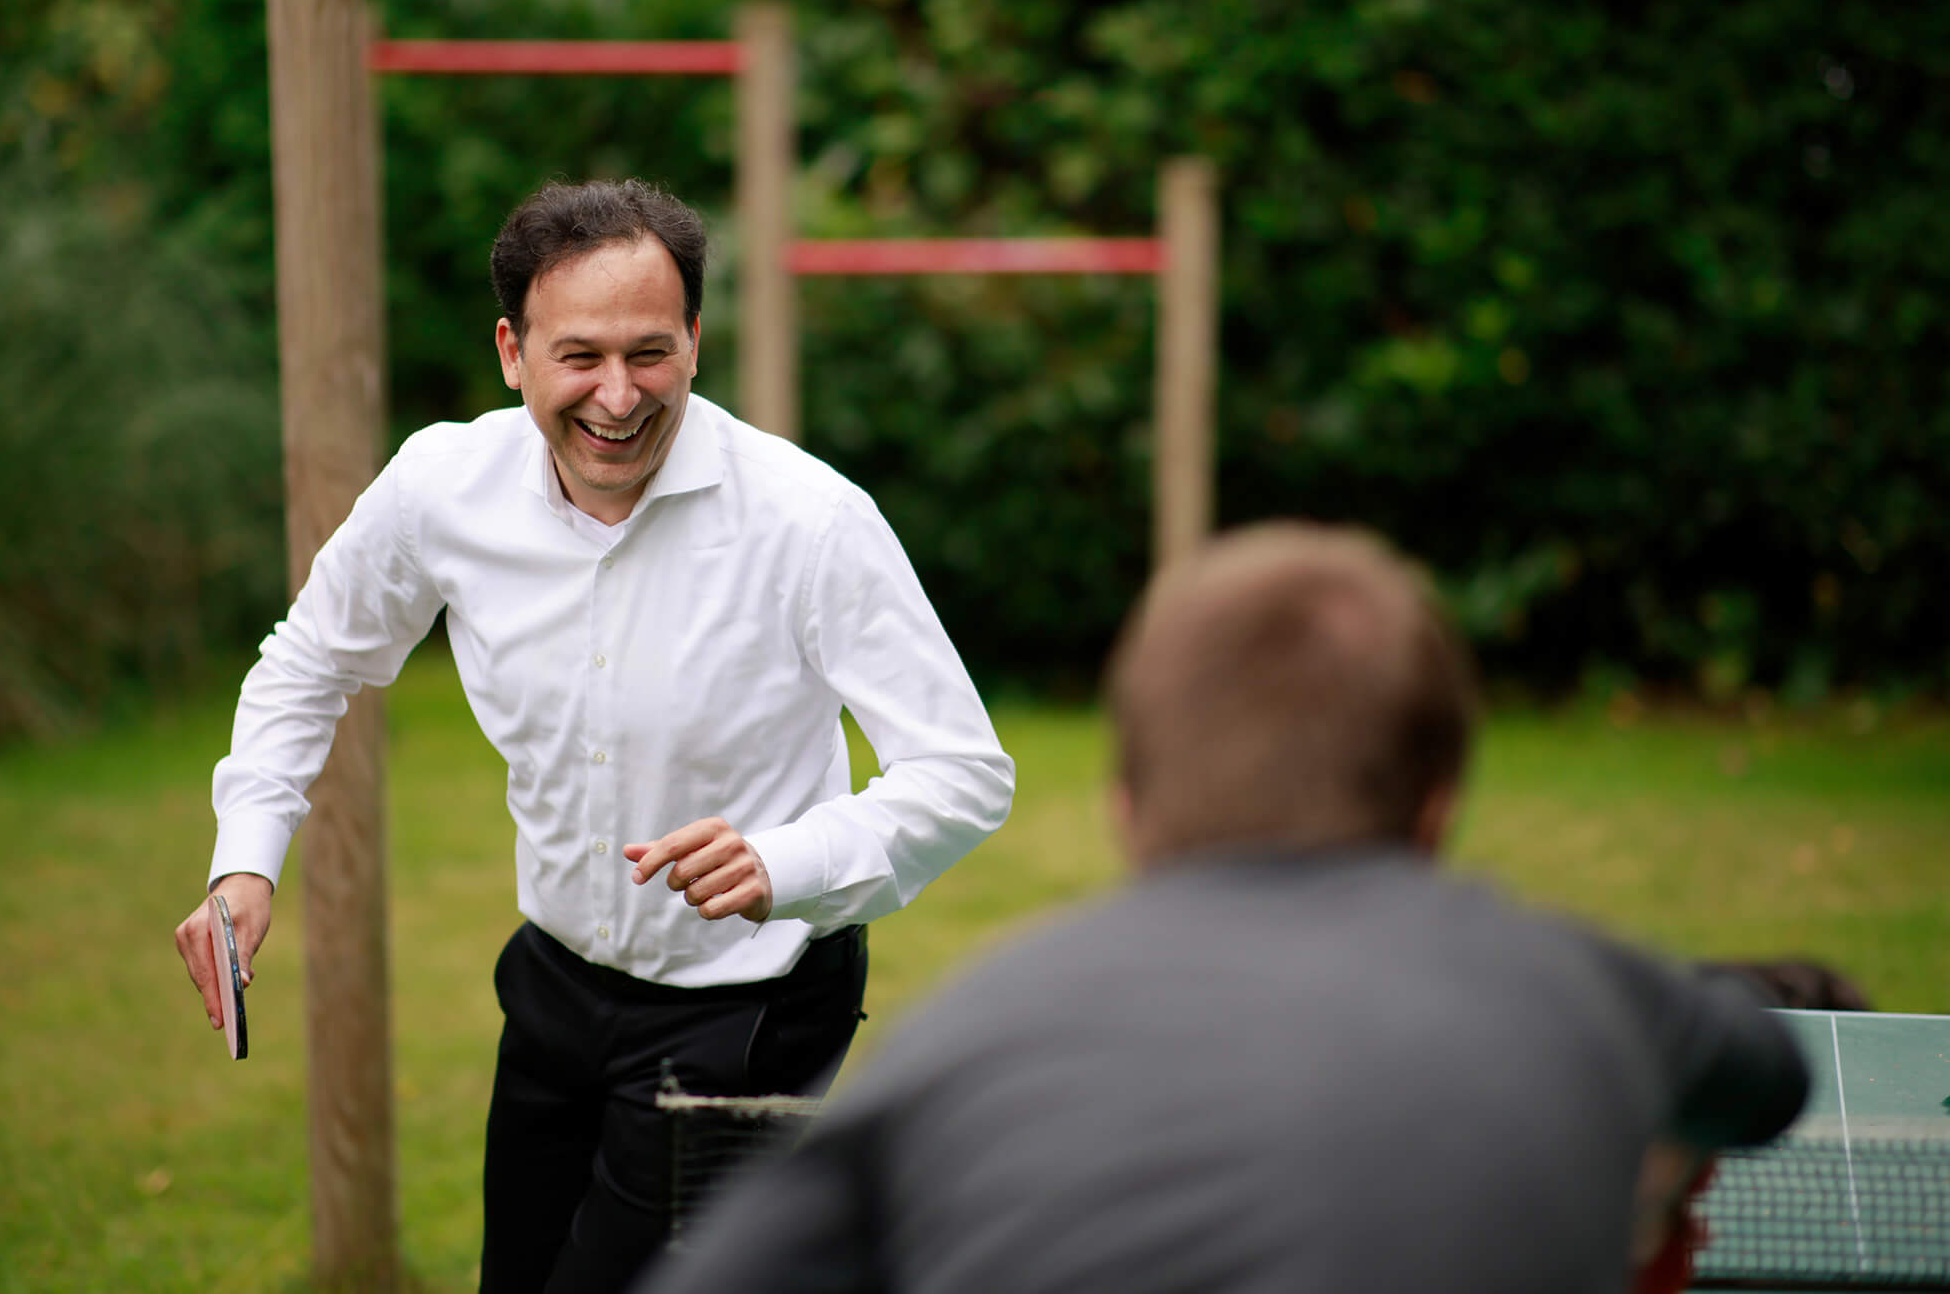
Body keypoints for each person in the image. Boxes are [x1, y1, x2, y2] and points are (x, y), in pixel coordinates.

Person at [172, 178, 1015, 1292]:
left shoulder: (810, 522)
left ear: (698, 342)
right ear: (512, 349)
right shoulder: (440, 487)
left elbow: (962, 772)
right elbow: (311, 660)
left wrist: (785, 859)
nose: (617, 395)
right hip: (552, 984)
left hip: (747, 1009)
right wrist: (246, 859)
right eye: (580, 357)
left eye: (649, 352)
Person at [641, 522, 1809, 1294]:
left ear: (1124, 806)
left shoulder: (964, 1034)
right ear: (1439, 805)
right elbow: (1767, 1075)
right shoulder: (1574, 981)